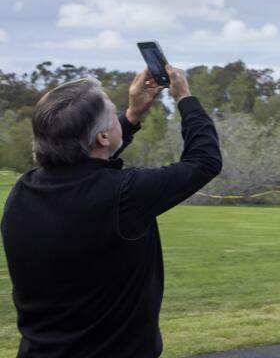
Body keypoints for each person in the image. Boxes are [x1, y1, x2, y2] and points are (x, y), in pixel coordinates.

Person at [2, 64, 221, 358]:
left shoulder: (23, 190)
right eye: (113, 114)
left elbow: (85, 164)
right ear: (103, 137)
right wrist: (184, 96)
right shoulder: (124, 195)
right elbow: (204, 160)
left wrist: (131, 115)